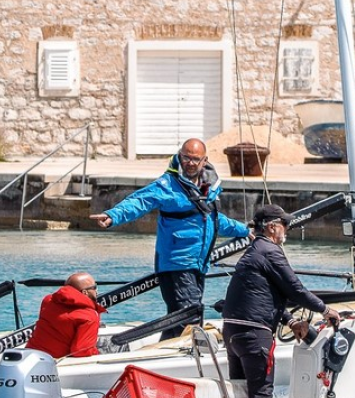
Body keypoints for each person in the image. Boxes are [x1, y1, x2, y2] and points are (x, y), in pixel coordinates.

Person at [90, 138, 250, 339]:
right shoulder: (167, 185)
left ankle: (165, 350)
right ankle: (187, 353)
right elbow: (139, 201)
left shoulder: (208, 186)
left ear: (204, 161)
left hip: (198, 264)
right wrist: (113, 215)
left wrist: (244, 230)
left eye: (195, 159)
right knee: (190, 315)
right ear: (179, 156)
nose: (189, 163)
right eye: (186, 158)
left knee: (178, 317)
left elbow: (215, 221)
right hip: (176, 263)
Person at [221, 204, 338, 398]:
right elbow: (296, 290)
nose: (287, 229)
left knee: (240, 395)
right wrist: (326, 310)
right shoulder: (270, 251)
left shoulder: (252, 252)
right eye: (285, 224)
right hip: (254, 335)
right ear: (272, 227)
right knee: (261, 396)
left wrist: (291, 322)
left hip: (233, 332)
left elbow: (263, 295)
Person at [25, 272, 107, 358]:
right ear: (85, 292)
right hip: (53, 363)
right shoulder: (89, 316)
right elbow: (81, 351)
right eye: (94, 287)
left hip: (31, 355)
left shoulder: (48, 300)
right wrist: (97, 353)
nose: (97, 291)